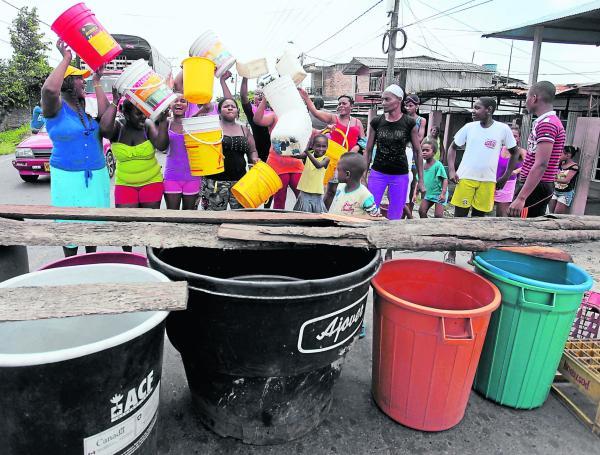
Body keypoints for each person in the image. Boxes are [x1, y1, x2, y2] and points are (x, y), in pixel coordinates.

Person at [42, 39, 111, 257]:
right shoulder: (55, 109)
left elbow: (106, 114)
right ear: (67, 83)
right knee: (68, 228)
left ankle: (91, 260)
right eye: (80, 80)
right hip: (67, 178)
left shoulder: (85, 109)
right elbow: (49, 90)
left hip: (97, 175)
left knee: (93, 228)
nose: (84, 83)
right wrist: (66, 59)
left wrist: (98, 80)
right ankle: (70, 264)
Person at [447, 97, 520, 218]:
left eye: (477, 108)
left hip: (488, 180)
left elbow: (515, 152)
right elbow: (452, 148)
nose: (473, 111)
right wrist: (451, 170)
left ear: (489, 110)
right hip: (465, 178)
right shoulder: (469, 127)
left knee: (479, 218)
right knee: (459, 217)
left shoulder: (503, 129)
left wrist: (506, 176)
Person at [364, 84, 425, 220]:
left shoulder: (409, 123)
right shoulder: (377, 121)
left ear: (399, 100)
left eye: (387, 99)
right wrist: (363, 176)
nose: (383, 103)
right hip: (378, 173)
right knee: (369, 210)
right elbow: (368, 150)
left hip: (400, 175)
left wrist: (421, 180)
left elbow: (417, 151)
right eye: (382, 99)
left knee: (396, 214)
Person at [299, 89, 365, 208]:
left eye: (344, 103)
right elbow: (315, 112)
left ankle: (344, 211)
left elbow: (363, 141)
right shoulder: (333, 118)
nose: (341, 106)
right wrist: (306, 98)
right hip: (333, 160)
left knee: (349, 189)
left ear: (352, 106)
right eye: (339, 103)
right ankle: (323, 213)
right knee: (330, 190)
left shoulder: (357, 122)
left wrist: (356, 148)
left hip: (349, 160)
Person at [509, 81, 566, 218]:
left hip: (536, 187)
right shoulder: (544, 122)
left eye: (527, 97)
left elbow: (541, 164)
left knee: (521, 229)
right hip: (534, 186)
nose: (526, 102)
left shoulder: (547, 124)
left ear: (534, 98)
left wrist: (522, 198)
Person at [200, 98, 259, 210]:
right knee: (213, 219)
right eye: (226, 106)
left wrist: (254, 158)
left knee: (239, 219)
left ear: (237, 111)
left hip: (240, 182)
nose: (230, 108)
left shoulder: (244, 129)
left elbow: (252, 150)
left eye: (233, 106)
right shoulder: (211, 128)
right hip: (215, 182)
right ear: (219, 111)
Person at [254, 96, 303, 209]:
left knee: (302, 197)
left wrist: (322, 130)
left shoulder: (297, 118)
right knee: (279, 199)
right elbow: (257, 120)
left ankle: (302, 223)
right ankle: (279, 224)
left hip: (296, 162)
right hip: (278, 163)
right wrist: (265, 99)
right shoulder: (274, 115)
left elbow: (309, 132)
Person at [163, 94, 201, 210]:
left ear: (188, 106)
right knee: (172, 215)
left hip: (193, 177)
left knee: (189, 217)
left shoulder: (194, 125)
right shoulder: (166, 123)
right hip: (172, 176)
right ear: (170, 104)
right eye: (175, 101)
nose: (179, 103)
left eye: (183, 101)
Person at [329, 152, 381, 219]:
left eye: (338, 170)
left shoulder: (365, 195)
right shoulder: (340, 187)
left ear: (347, 174)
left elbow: (375, 217)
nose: (335, 172)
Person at [292, 134, 330, 213]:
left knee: (317, 215)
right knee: (303, 215)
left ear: (327, 147)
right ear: (312, 146)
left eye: (324, 146)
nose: (321, 149)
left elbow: (318, 165)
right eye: (318, 146)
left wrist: (307, 152)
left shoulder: (326, 159)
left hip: (317, 193)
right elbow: (295, 155)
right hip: (304, 192)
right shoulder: (307, 155)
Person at [403, 93, 427, 218]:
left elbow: (419, 137)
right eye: (406, 105)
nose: (408, 108)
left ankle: (410, 213)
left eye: (411, 105)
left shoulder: (421, 120)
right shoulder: (401, 117)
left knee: (413, 185)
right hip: (402, 152)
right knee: (402, 183)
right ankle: (401, 212)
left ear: (417, 106)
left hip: (413, 154)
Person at [494, 125, 526, 217]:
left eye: (515, 136)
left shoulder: (521, 151)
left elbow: (529, 165)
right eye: (510, 135)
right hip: (493, 181)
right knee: (483, 210)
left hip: (508, 184)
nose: (512, 138)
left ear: (519, 138)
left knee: (501, 214)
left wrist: (516, 171)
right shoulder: (499, 148)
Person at [418, 140, 447, 218]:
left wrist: (443, 194)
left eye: (427, 150)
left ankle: (437, 229)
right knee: (421, 211)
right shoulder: (422, 166)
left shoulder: (438, 165)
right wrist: (416, 193)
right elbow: (419, 181)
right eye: (423, 150)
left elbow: (445, 179)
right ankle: (426, 227)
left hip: (439, 194)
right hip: (428, 194)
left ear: (434, 152)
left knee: (438, 215)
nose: (424, 152)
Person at [549, 146, 579, 214]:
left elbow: (566, 180)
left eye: (561, 154)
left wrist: (553, 178)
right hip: (555, 191)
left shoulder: (574, 166)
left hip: (565, 193)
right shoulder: (560, 164)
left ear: (568, 155)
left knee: (557, 215)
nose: (559, 155)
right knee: (549, 213)